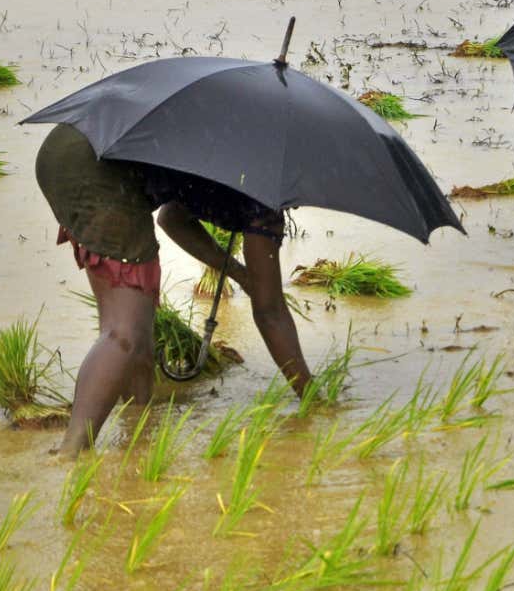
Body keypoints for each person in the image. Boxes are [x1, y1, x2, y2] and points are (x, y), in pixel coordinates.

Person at [35, 123, 312, 456]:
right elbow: (270, 312)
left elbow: (172, 217)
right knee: (124, 332)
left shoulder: (241, 147)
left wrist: (238, 273)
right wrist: (313, 399)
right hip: (98, 171)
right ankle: (72, 450)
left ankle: (138, 424)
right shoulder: (264, 196)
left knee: (137, 322)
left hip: (67, 148)